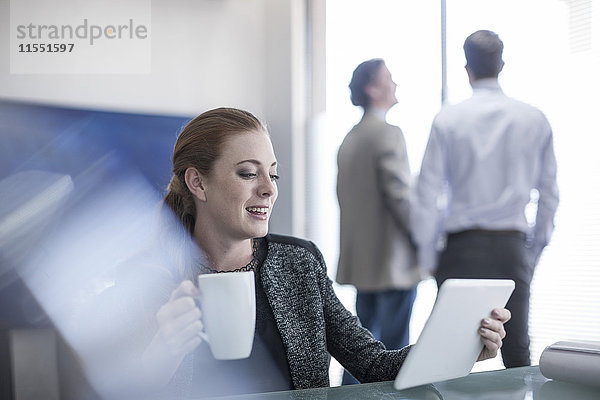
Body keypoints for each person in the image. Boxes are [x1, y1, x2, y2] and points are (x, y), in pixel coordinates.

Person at [93, 107, 510, 398]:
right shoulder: (146, 280)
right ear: (198, 184)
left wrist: (459, 346)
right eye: (247, 173)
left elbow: (371, 364)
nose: (268, 189)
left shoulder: (298, 264)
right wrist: (157, 358)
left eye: (272, 174)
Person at [411, 30, 559, 368]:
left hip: (460, 251)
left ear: (467, 68)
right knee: (518, 353)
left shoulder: (447, 119)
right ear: (502, 64)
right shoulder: (533, 118)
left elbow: (426, 193)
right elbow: (549, 194)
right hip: (511, 247)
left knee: (449, 357)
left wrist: (429, 256)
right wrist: (532, 252)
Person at [336, 59, 423, 383]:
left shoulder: (349, 139)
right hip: (393, 266)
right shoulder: (388, 134)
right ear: (373, 88)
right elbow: (401, 199)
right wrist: (427, 243)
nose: (395, 84)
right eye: (389, 78)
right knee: (391, 360)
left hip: (363, 266)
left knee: (358, 354)